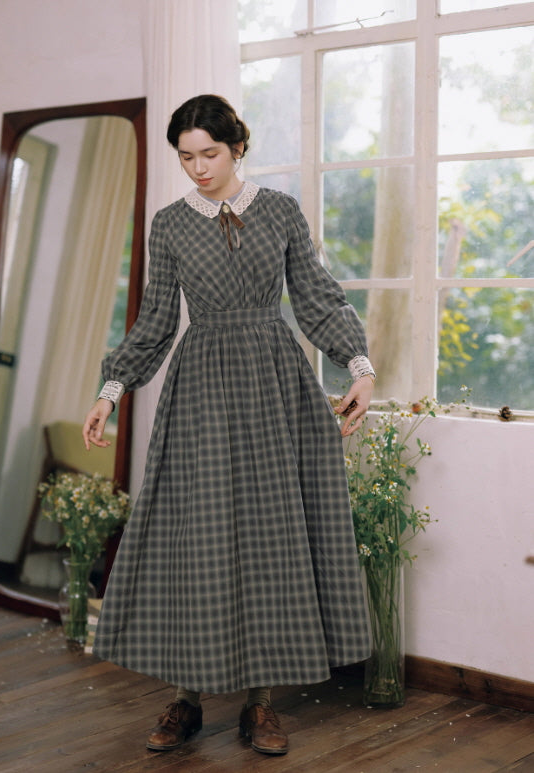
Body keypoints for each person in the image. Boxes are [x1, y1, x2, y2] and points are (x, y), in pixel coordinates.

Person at [83, 94, 375, 756]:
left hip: (276, 387)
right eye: (185, 157)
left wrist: (359, 366)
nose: (197, 168)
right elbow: (157, 319)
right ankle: (186, 698)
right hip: (203, 394)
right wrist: (111, 390)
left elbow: (317, 297)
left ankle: (261, 704)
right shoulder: (169, 225)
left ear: (237, 147)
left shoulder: (279, 212)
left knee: (270, 538)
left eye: (208, 153)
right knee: (200, 537)